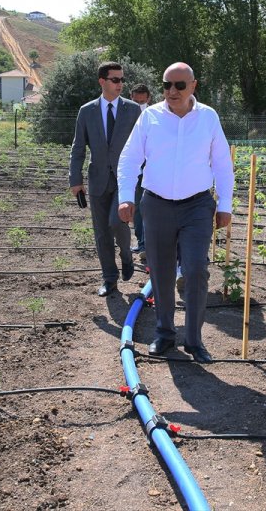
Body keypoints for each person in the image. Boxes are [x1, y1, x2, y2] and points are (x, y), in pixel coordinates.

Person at [117, 62, 234, 364]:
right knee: (162, 271)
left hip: (196, 205)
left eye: (179, 85)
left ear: (194, 86)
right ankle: (165, 333)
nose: (171, 91)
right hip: (156, 205)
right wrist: (126, 198)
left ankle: (194, 340)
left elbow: (222, 163)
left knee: (196, 268)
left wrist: (225, 205)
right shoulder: (150, 118)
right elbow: (129, 159)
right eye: (167, 85)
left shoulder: (208, 118)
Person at [69, 61, 142, 297]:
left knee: (116, 221)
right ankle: (109, 278)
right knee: (101, 232)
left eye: (122, 80)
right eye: (115, 80)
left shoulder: (133, 110)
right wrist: (75, 178)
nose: (120, 84)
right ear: (102, 81)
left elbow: (144, 146)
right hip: (98, 178)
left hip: (125, 179)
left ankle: (127, 254)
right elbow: (78, 146)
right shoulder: (87, 111)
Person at [128, 84, 151, 260]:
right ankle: (141, 242)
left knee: (148, 206)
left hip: (150, 168)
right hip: (133, 167)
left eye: (142, 101)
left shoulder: (154, 116)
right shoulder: (125, 115)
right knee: (135, 206)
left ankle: (147, 244)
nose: (139, 104)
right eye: (136, 101)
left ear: (148, 99)